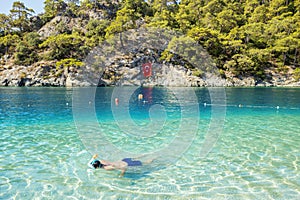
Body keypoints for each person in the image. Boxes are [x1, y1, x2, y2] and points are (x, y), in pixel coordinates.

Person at [87, 154, 152, 177]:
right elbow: (93, 159)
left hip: (128, 164)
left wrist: (121, 175)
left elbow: (123, 168)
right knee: (137, 157)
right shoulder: (101, 160)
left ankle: (155, 158)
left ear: (97, 167)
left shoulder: (106, 168)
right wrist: (93, 157)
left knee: (147, 162)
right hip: (124, 160)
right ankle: (147, 154)